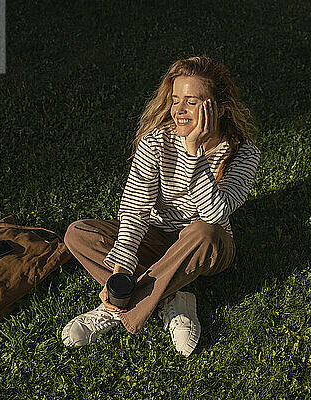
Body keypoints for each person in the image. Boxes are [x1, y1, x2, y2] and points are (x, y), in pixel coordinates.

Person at [61, 56, 261, 356]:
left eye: (192, 102)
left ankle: (117, 307)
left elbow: (215, 215)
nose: (179, 110)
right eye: (176, 99)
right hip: (155, 236)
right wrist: (122, 266)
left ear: (219, 108)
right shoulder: (156, 142)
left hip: (207, 245)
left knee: (204, 231)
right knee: (79, 233)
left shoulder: (243, 154)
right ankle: (173, 298)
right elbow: (135, 210)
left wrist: (194, 152)